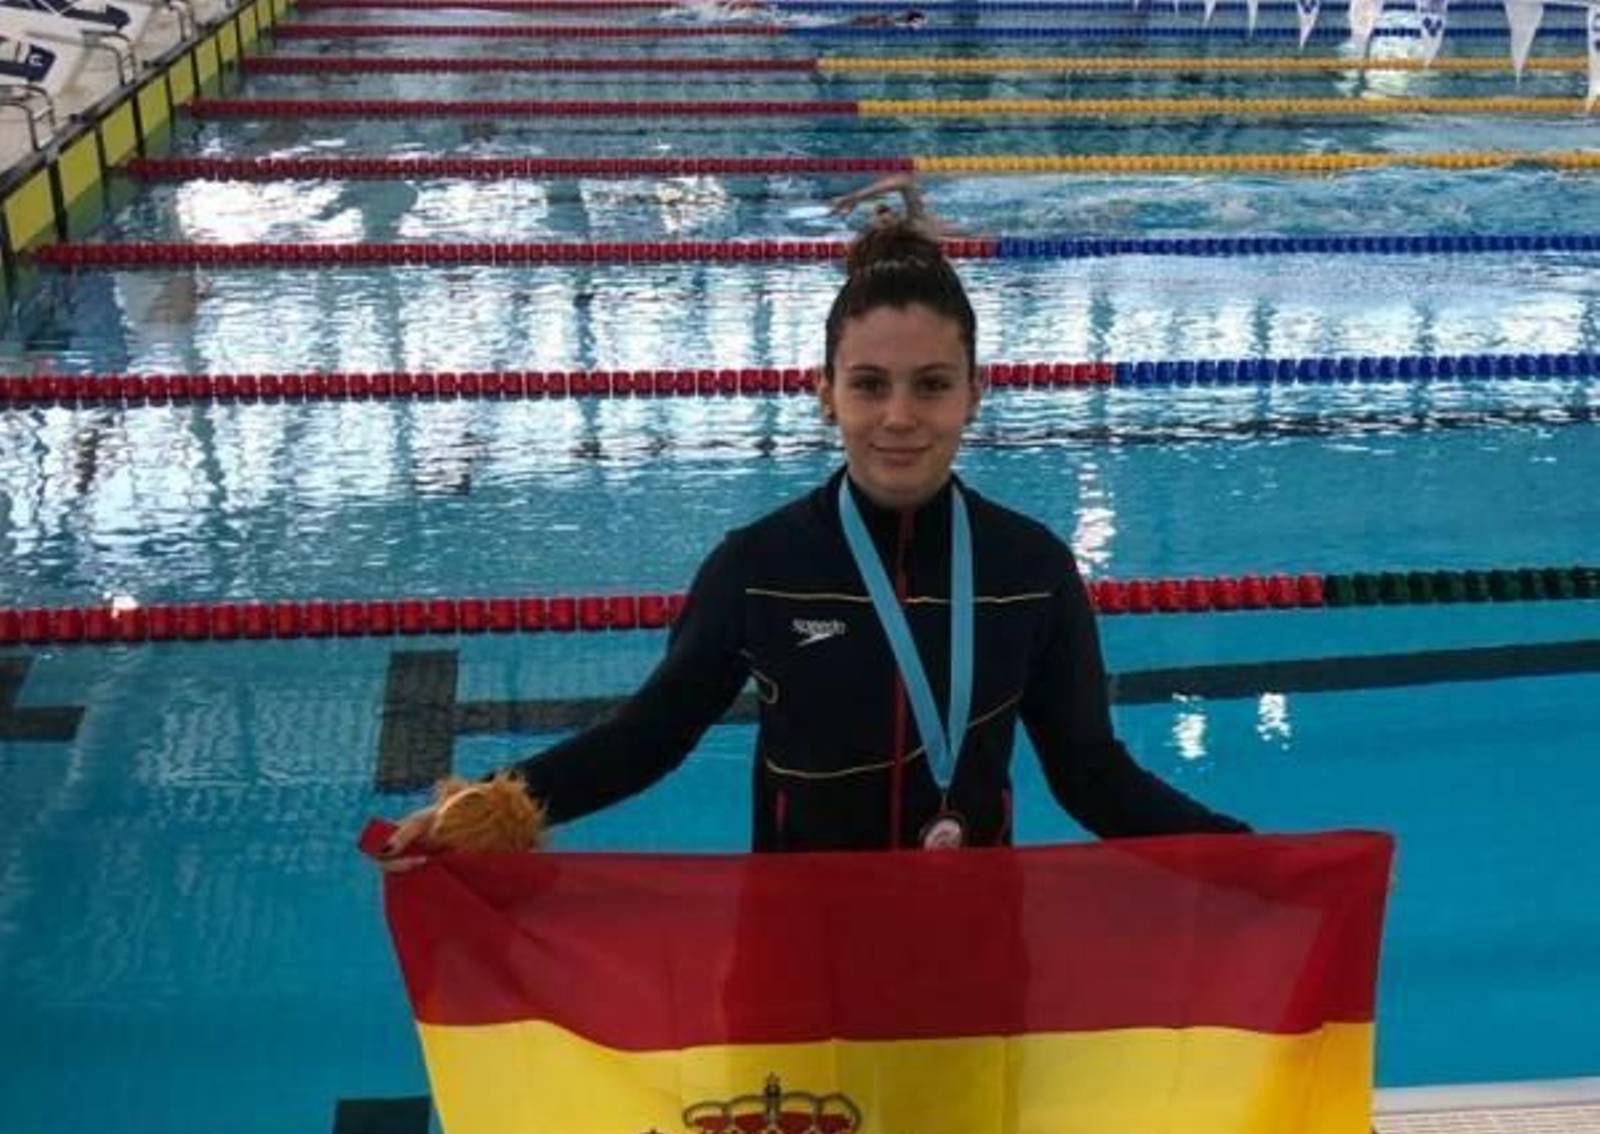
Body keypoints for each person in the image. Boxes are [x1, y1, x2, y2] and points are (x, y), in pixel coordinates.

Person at [381, 223, 1245, 867]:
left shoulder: (1030, 570)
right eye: (870, 385)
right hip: (794, 946)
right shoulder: (758, 568)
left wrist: (1241, 851)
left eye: (932, 386)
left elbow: (1089, 772)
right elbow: (650, 735)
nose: (900, 416)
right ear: (825, 393)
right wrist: (490, 811)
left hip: (974, 943)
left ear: (975, 395)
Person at [828, 172, 963, 240]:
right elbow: (903, 182)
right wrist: (852, 198)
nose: (890, 212)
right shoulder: (915, 224)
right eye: (885, 219)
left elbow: (902, 181)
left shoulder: (908, 221)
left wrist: (852, 198)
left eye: (882, 212)